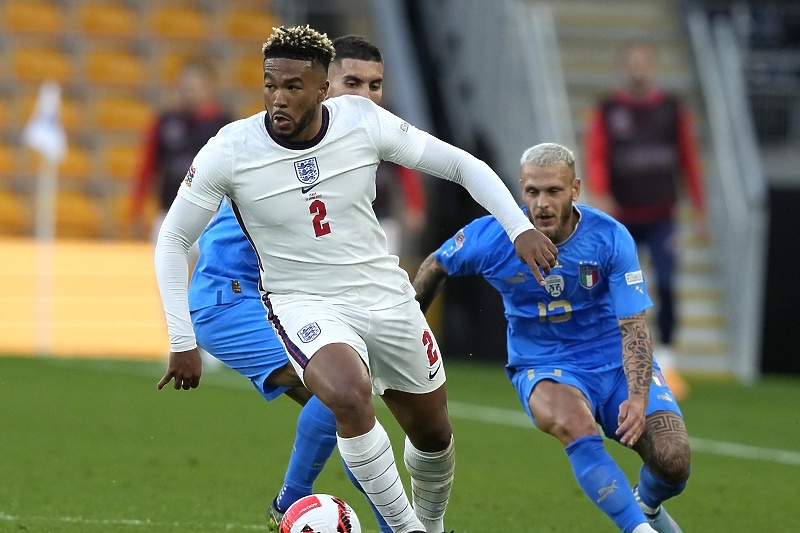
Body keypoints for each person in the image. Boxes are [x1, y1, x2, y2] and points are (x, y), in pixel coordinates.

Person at [154, 25, 558, 533]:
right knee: (346, 395)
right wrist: (181, 338)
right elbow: (172, 240)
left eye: (293, 87)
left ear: (323, 89)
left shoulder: (362, 123)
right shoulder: (232, 150)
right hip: (280, 300)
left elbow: (459, 164)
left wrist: (518, 227)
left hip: (382, 295)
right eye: (269, 84)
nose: (278, 98)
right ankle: (375, 522)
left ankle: (425, 526)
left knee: (432, 433)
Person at [412, 143, 691, 533]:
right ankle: (637, 528)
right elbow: (436, 264)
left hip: (613, 364)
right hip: (542, 364)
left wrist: (639, 395)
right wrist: (406, 331)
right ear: (520, 190)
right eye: (532, 192)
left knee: (673, 461)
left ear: (575, 189)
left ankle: (645, 504)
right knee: (577, 425)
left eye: (554, 191)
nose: (541, 203)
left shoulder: (609, 238)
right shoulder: (493, 236)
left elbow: (633, 326)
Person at [185, 34, 398, 533]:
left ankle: (389, 524)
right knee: (342, 398)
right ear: (323, 87)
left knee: (352, 411)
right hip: (232, 298)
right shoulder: (277, 143)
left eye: (374, 85)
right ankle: (291, 503)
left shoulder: (347, 144)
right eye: (352, 83)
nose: (364, 96)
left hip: (279, 299)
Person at [584, 40, 706, 399]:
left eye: (643, 64)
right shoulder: (607, 111)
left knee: (667, 284)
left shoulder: (671, 110)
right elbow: (597, 156)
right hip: (621, 219)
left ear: (651, 68)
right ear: (625, 68)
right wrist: (601, 195)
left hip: (661, 216)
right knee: (607, 287)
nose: (638, 70)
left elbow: (688, 159)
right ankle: (609, 358)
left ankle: (667, 363)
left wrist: (698, 207)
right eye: (632, 64)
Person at [130, 60, 233, 244]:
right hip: (169, 213)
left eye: (194, 86)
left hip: (211, 216)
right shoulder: (165, 122)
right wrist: (137, 208)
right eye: (185, 86)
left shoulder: (224, 126)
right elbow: (147, 166)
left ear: (209, 87)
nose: (189, 92)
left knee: (203, 271)